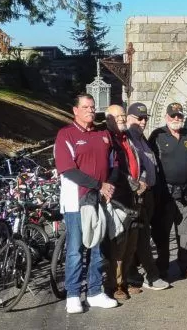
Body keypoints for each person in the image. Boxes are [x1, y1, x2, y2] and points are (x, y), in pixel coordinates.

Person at [54, 93, 118, 314]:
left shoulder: (103, 134)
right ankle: (73, 295)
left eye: (92, 107)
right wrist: (98, 184)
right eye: (85, 107)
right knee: (75, 249)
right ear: (75, 110)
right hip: (76, 202)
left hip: (100, 200)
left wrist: (108, 184)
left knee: (98, 247)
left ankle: (94, 292)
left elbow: (114, 163)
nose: (90, 110)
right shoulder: (66, 135)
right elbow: (67, 169)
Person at [149, 102, 187, 280]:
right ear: (166, 117)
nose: (176, 119)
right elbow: (150, 163)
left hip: (185, 193)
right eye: (173, 116)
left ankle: (186, 266)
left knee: (185, 232)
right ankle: (162, 267)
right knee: (163, 232)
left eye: (179, 116)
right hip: (165, 194)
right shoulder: (157, 136)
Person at [124, 102, 170, 290]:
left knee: (140, 236)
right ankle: (151, 275)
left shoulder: (142, 138)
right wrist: (139, 182)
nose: (142, 122)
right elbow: (130, 166)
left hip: (149, 194)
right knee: (141, 236)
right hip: (136, 194)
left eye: (145, 119)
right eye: (138, 118)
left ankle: (133, 274)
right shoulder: (128, 139)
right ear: (128, 118)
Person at [103, 105, 146, 300]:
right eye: (117, 116)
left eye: (122, 115)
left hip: (134, 197)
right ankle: (114, 285)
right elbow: (113, 169)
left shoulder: (127, 137)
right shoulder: (107, 138)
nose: (121, 119)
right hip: (118, 197)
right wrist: (133, 183)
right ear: (108, 118)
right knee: (118, 244)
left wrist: (142, 179)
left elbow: (139, 162)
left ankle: (126, 280)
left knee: (131, 243)